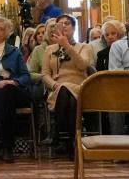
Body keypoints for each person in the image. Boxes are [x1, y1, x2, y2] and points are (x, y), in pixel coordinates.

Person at [40, 15, 95, 156]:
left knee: (67, 90)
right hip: (58, 91)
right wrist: (54, 86)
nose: (63, 26)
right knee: (67, 95)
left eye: (67, 24)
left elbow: (83, 65)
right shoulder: (49, 50)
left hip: (80, 88)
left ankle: (56, 131)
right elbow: (45, 74)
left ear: (74, 28)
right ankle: (72, 140)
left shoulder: (85, 47)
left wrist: (67, 47)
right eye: (60, 24)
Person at [0, 15, 32, 163]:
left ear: (8, 32)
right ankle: (7, 148)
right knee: (4, 96)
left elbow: (25, 76)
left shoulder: (15, 52)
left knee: (8, 91)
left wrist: (13, 82)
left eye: (1, 29)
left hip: (16, 91)